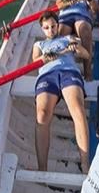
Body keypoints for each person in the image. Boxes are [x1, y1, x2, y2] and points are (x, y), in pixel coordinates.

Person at [32, 11, 91, 174]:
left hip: (68, 72)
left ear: (58, 25)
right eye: (46, 28)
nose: (50, 30)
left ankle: (85, 165)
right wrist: (44, 58)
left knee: (78, 110)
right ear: (42, 29)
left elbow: (86, 55)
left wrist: (76, 48)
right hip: (47, 76)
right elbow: (34, 62)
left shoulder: (69, 39)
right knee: (42, 114)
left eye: (53, 26)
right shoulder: (39, 45)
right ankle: (42, 169)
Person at [56, 0, 97, 80]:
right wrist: (67, 3)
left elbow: (95, 10)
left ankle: (88, 73)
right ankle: (62, 69)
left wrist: (90, 0)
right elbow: (58, 6)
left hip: (81, 16)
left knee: (85, 32)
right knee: (61, 35)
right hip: (66, 18)